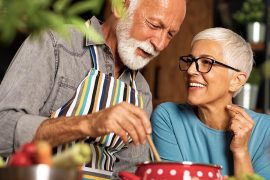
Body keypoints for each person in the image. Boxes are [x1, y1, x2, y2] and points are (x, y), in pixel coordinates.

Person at [0, 0, 186, 179]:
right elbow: (3, 130)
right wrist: (87, 124)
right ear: (119, 7)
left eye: (170, 34)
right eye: (154, 25)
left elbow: (127, 174)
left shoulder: (141, 92)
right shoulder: (54, 43)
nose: (160, 44)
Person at [151, 27, 270, 179]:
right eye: (190, 61)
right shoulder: (168, 117)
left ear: (236, 81)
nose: (190, 70)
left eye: (207, 62)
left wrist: (241, 152)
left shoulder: (266, 130)